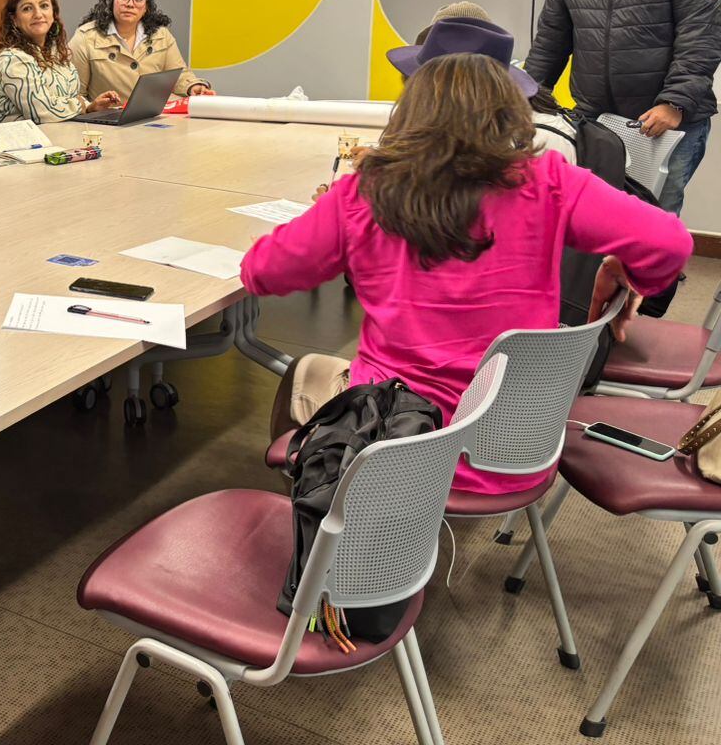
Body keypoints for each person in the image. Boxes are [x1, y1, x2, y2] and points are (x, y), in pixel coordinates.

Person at [244, 52, 691, 496]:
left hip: (395, 453)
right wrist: (624, 270)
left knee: (303, 374)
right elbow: (671, 243)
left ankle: (334, 534)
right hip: (515, 452)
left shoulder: (367, 195)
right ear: (511, 112)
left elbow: (261, 272)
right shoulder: (549, 182)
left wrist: (330, 215)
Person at [524, 0, 721, 214]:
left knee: (655, 218)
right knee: (596, 216)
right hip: (595, 120)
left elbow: (702, 37)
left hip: (663, 122)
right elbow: (549, 44)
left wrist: (674, 103)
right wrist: (524, 101)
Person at [0, 0, 122, 123]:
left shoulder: (56, 54)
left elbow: (70, 98)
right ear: (14, 19)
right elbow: (41, 112)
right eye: (27, 8)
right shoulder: (12, 59)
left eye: (44, 6)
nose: (38, 14)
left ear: (53, 13)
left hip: (59, 135)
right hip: (18, 141)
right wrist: (81, 105)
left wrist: (91, 106)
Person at [69, 0, 212, 103]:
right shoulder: (85, 37)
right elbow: (74, 94)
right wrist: (92, 107)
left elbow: (179, 75)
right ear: (111, 0)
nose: (130, 4)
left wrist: (193, 86)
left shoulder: (161, 35)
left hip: (152, 119)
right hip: (107, 124)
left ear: (146, 7)